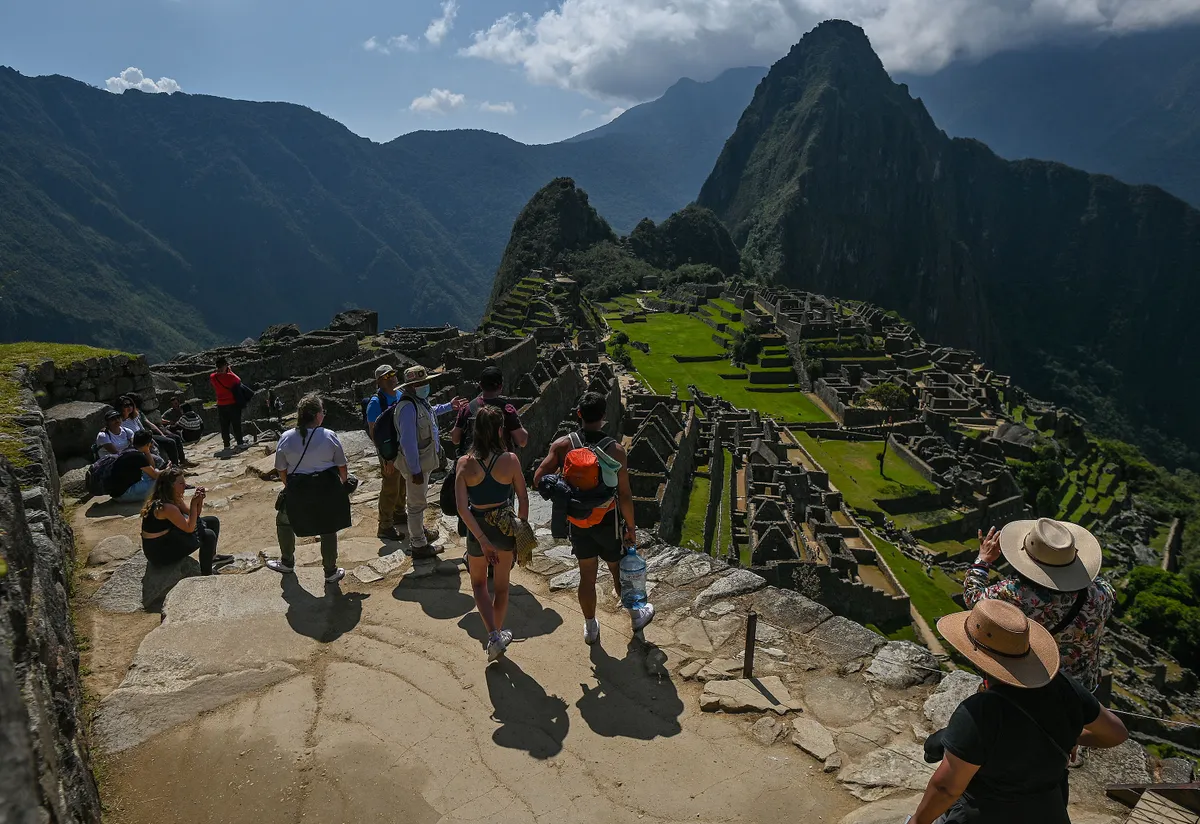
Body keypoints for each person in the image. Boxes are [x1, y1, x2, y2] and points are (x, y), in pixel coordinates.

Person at [908, 599, 1128, 824]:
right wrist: (1069, 734)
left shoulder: (979, 712)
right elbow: (1116, 733)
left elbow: (946, 788)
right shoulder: (1063, 687)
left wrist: (916, 822)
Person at [533, 391, 654, 644]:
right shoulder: (615, 450)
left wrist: (562, 487)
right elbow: (625, 494)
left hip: (577, 521)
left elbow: (538, 480)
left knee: (586, 576)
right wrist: (630, 528)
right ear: (604, 417)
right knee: (618, 571)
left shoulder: (563, 446)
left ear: (579, 414)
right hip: (608, 521)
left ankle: (590, 626)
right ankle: (635, 615)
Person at [965, 518, 1116, 696]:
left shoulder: (1014, 593)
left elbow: (973, 599)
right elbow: (1094, 581)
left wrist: (983, 559)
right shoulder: (1102, 594)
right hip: (1081, 690)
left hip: (1032, 687)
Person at [455, 406, 529, 662]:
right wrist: (520, 530)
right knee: (502, 587)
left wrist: (482, 540)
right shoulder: (510, 460)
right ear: (499, 430)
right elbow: (522, 497)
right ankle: (496, 634)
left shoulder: (464, 464)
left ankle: (494, 636)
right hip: (505, 525)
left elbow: (462, 509)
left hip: (477, 528)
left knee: (478, 585)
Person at [266, 394, 351, 584]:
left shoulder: (286, 437)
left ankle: (287, 561)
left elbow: (281, 469)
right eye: (322, 411)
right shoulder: (329, 435)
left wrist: (289, 486)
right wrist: (344, 483)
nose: (324, 414)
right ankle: (330, 570)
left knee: (284, 521)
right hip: (327, 487)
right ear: (316, 415)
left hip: (299, 488)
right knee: (328, 527)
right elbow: (342, 466)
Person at [393, 365, 465, 559]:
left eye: (426, 382)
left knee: (419, 500)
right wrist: (415, 470)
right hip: (415, 465)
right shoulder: (407, 408)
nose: (426, 385)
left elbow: (431, 413)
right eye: (422, 383)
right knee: (416, 504)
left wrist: (449, 406)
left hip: (423, 462)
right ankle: (418, 544)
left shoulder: (419, 403)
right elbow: (408, 442)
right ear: (412, 385)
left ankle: (420, 533)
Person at [140, 467, 231, 575]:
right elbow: (189, 528)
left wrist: (199, 500)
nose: (185, 486)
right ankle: (207, 573)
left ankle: (211, 556)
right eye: (181, 483)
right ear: (171, 486)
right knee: (208, 535)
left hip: (169, 537)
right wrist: (193, 504)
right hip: (159, 552)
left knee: (212, 521)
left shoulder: (172, 498)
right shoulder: (165, 507)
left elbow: (195, 515)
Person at [365, 364, 407, 541]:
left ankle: (398, 513)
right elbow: (375, 433)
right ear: (380, 381)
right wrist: (385, 457)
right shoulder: (376, 403)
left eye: (393, 373)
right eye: (388, 375)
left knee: (402, 482)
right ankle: (385, 525)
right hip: (389, 451)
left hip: (402, 448)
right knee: (390, 487)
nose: (393, 377)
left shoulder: (399, 394)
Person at [450, 365, 529, 455]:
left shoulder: (467, 408)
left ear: (480, 385)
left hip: (473, 462)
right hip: (500, 463)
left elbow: (455, 439)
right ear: (501, 387)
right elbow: (522, 441)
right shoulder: (507, 410)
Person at [122, 393, 190, 466]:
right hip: (142, 439)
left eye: (131, 405)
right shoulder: (123, 420)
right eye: (127, 405)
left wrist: (162, 434)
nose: (130, 407)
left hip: (148, 435)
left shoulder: (137, 414)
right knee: (170, 442)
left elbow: (150, 425)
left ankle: (183, 461)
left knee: (176, 437)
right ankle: (175, 467)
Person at [108, 431, 166, 502]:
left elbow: (152, 468)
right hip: (123, 495)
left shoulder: (128, 450)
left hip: (117, 492)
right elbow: (155, 476)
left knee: (156, 472)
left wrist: (147, 451)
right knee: (162, 482)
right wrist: (167, 470)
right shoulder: (138, 457)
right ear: (148, 444)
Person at [209, 356, 247, 452]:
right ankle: (240, 443)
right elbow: (239, 380)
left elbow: (215, 376)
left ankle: (226, 444)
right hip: (232, 403)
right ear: (225, 365)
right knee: (236, 424)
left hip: (221, 404)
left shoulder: (213, 377)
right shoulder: (230, 377)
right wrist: (230, 371)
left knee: (224, 425)